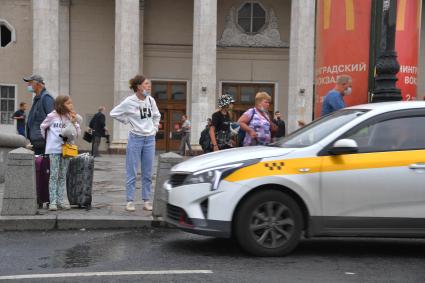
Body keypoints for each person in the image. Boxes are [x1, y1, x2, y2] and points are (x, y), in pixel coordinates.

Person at [110, 75, 161, 212]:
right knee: (131, 171)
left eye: (149, 84)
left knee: (147, 172)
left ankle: (146, 201)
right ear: (138, 86)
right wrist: (127, 120)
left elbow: (157, 115)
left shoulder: (151, 100)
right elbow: (114, 113)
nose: (148, 86)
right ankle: (130, 201)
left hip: (150, 139)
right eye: (146, 84)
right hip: (135, 138)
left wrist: (155, 129)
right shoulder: (129, 101)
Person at [40, 95, 81, 211]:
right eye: (68, 103)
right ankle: (52, 201)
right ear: (61, 104)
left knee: (63, 175)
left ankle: (60, 200)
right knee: (54, 175)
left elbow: (78, 132)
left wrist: (73, 122)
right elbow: (42, 127)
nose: (71, 105)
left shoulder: (70, 116)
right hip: (54, 149)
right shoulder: (52, 116)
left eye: (71, 103)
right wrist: (48, 140)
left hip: (66, 149)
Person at [24, 74, 54, 155]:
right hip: (37, 141)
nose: (28, 85)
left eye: (30, 83)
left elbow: (52, 119)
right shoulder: (38, 98)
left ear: (38, 84)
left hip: (43, 142)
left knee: (43, 166)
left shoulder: (46, 98)